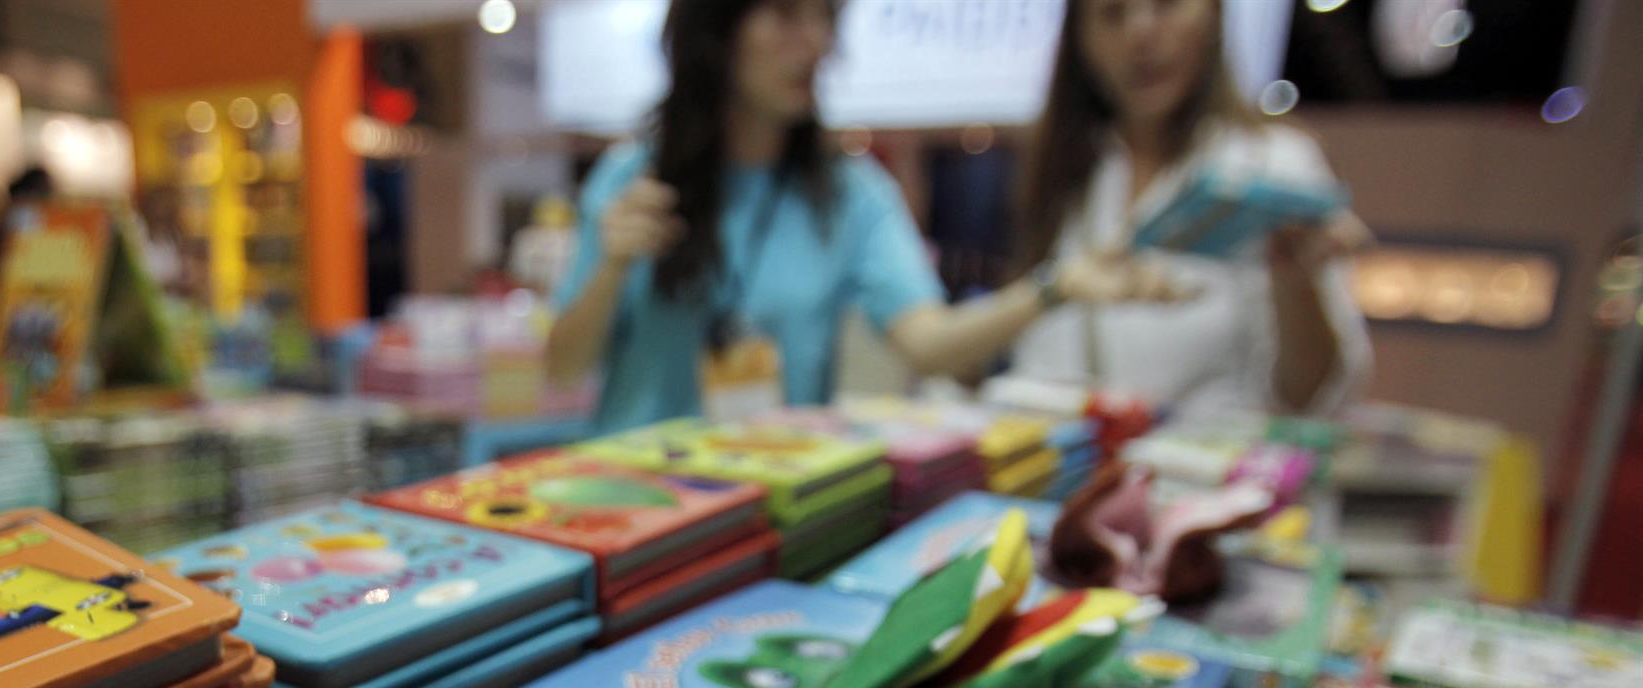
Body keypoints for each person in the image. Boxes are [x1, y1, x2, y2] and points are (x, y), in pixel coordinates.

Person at [548, 0, 1175, 432]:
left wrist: (1055, 287)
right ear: (718, 31)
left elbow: (928, 344)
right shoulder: (635, 180)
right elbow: (562, 367)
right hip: (636, 500)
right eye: (786, 13)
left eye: (825, 16)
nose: (816, 43)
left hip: (772, 504)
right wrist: (610, 266)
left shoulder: (852, 194)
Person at [1006, 0, 1373, 416]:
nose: (1140, 33)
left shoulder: (1274, 164)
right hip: (1068, 463)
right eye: (1112, 13)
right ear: (1081, 39)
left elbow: (1311, 395)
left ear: (1213, 14)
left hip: (1210, 468)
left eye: (1166, 5)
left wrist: (1294, 279)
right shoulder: (1068, 169)